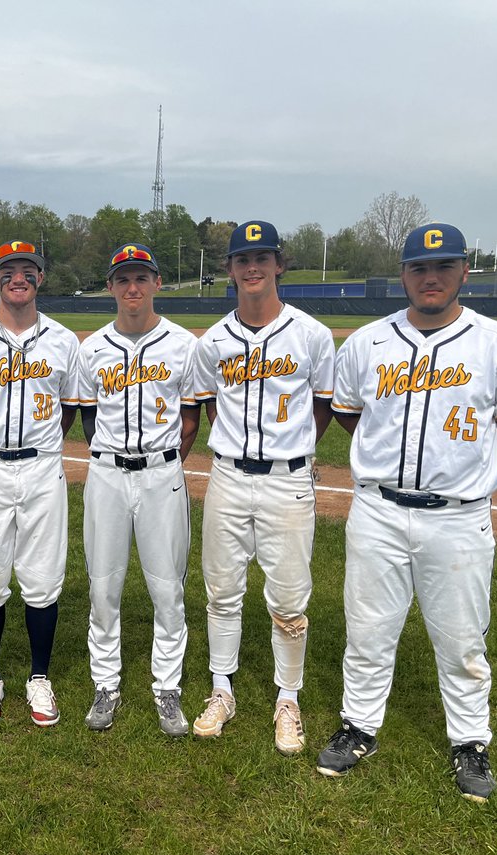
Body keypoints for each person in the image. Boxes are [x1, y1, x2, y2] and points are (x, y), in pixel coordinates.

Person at [316, 223, 497, 802]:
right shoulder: (367, 343)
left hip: (458, 516)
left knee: (462, 639)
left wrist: (463, 459)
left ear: (464, 271)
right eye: (419, 267)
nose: (431, 277)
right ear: (404, 276)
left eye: (443, 266)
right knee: (368, 630)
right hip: (378, 511)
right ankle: (359, 726)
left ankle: (470, 741)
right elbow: (349, 413)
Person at [192, 222, 335, 754]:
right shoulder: (213, 342)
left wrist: (291, 448)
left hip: (287, 479)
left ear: (279, 264)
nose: (252, 267)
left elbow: (323, 406)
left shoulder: (311, 335)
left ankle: (288, 699)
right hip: (228, 476)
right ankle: (221, 689)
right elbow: (211, 406)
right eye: (242, 259)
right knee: (221, 590)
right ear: (230, 270)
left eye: (262, 257)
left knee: (290, 596)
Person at [77, 243, 202, 735]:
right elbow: (89, 418)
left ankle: (167, 687)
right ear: (110, 286)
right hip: (107, 474)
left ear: (156, 283)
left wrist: (162, 465)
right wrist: (113, 458)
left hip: (161, 474)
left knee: (167, 587)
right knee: (103, 585)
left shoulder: (183, 345)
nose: (133, 287)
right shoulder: (92, 349)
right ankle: (105, 684)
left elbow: (190, 420)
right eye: (124, 279)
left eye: (141, 278)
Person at [0, 240, 80, 727]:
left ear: (40, 278)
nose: (18, 278)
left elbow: (68, 409)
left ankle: (39, 677)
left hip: (42, 467)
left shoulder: (64, 341)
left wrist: (41, 446)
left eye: (28, 270)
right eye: (8, 271)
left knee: (43, 578)